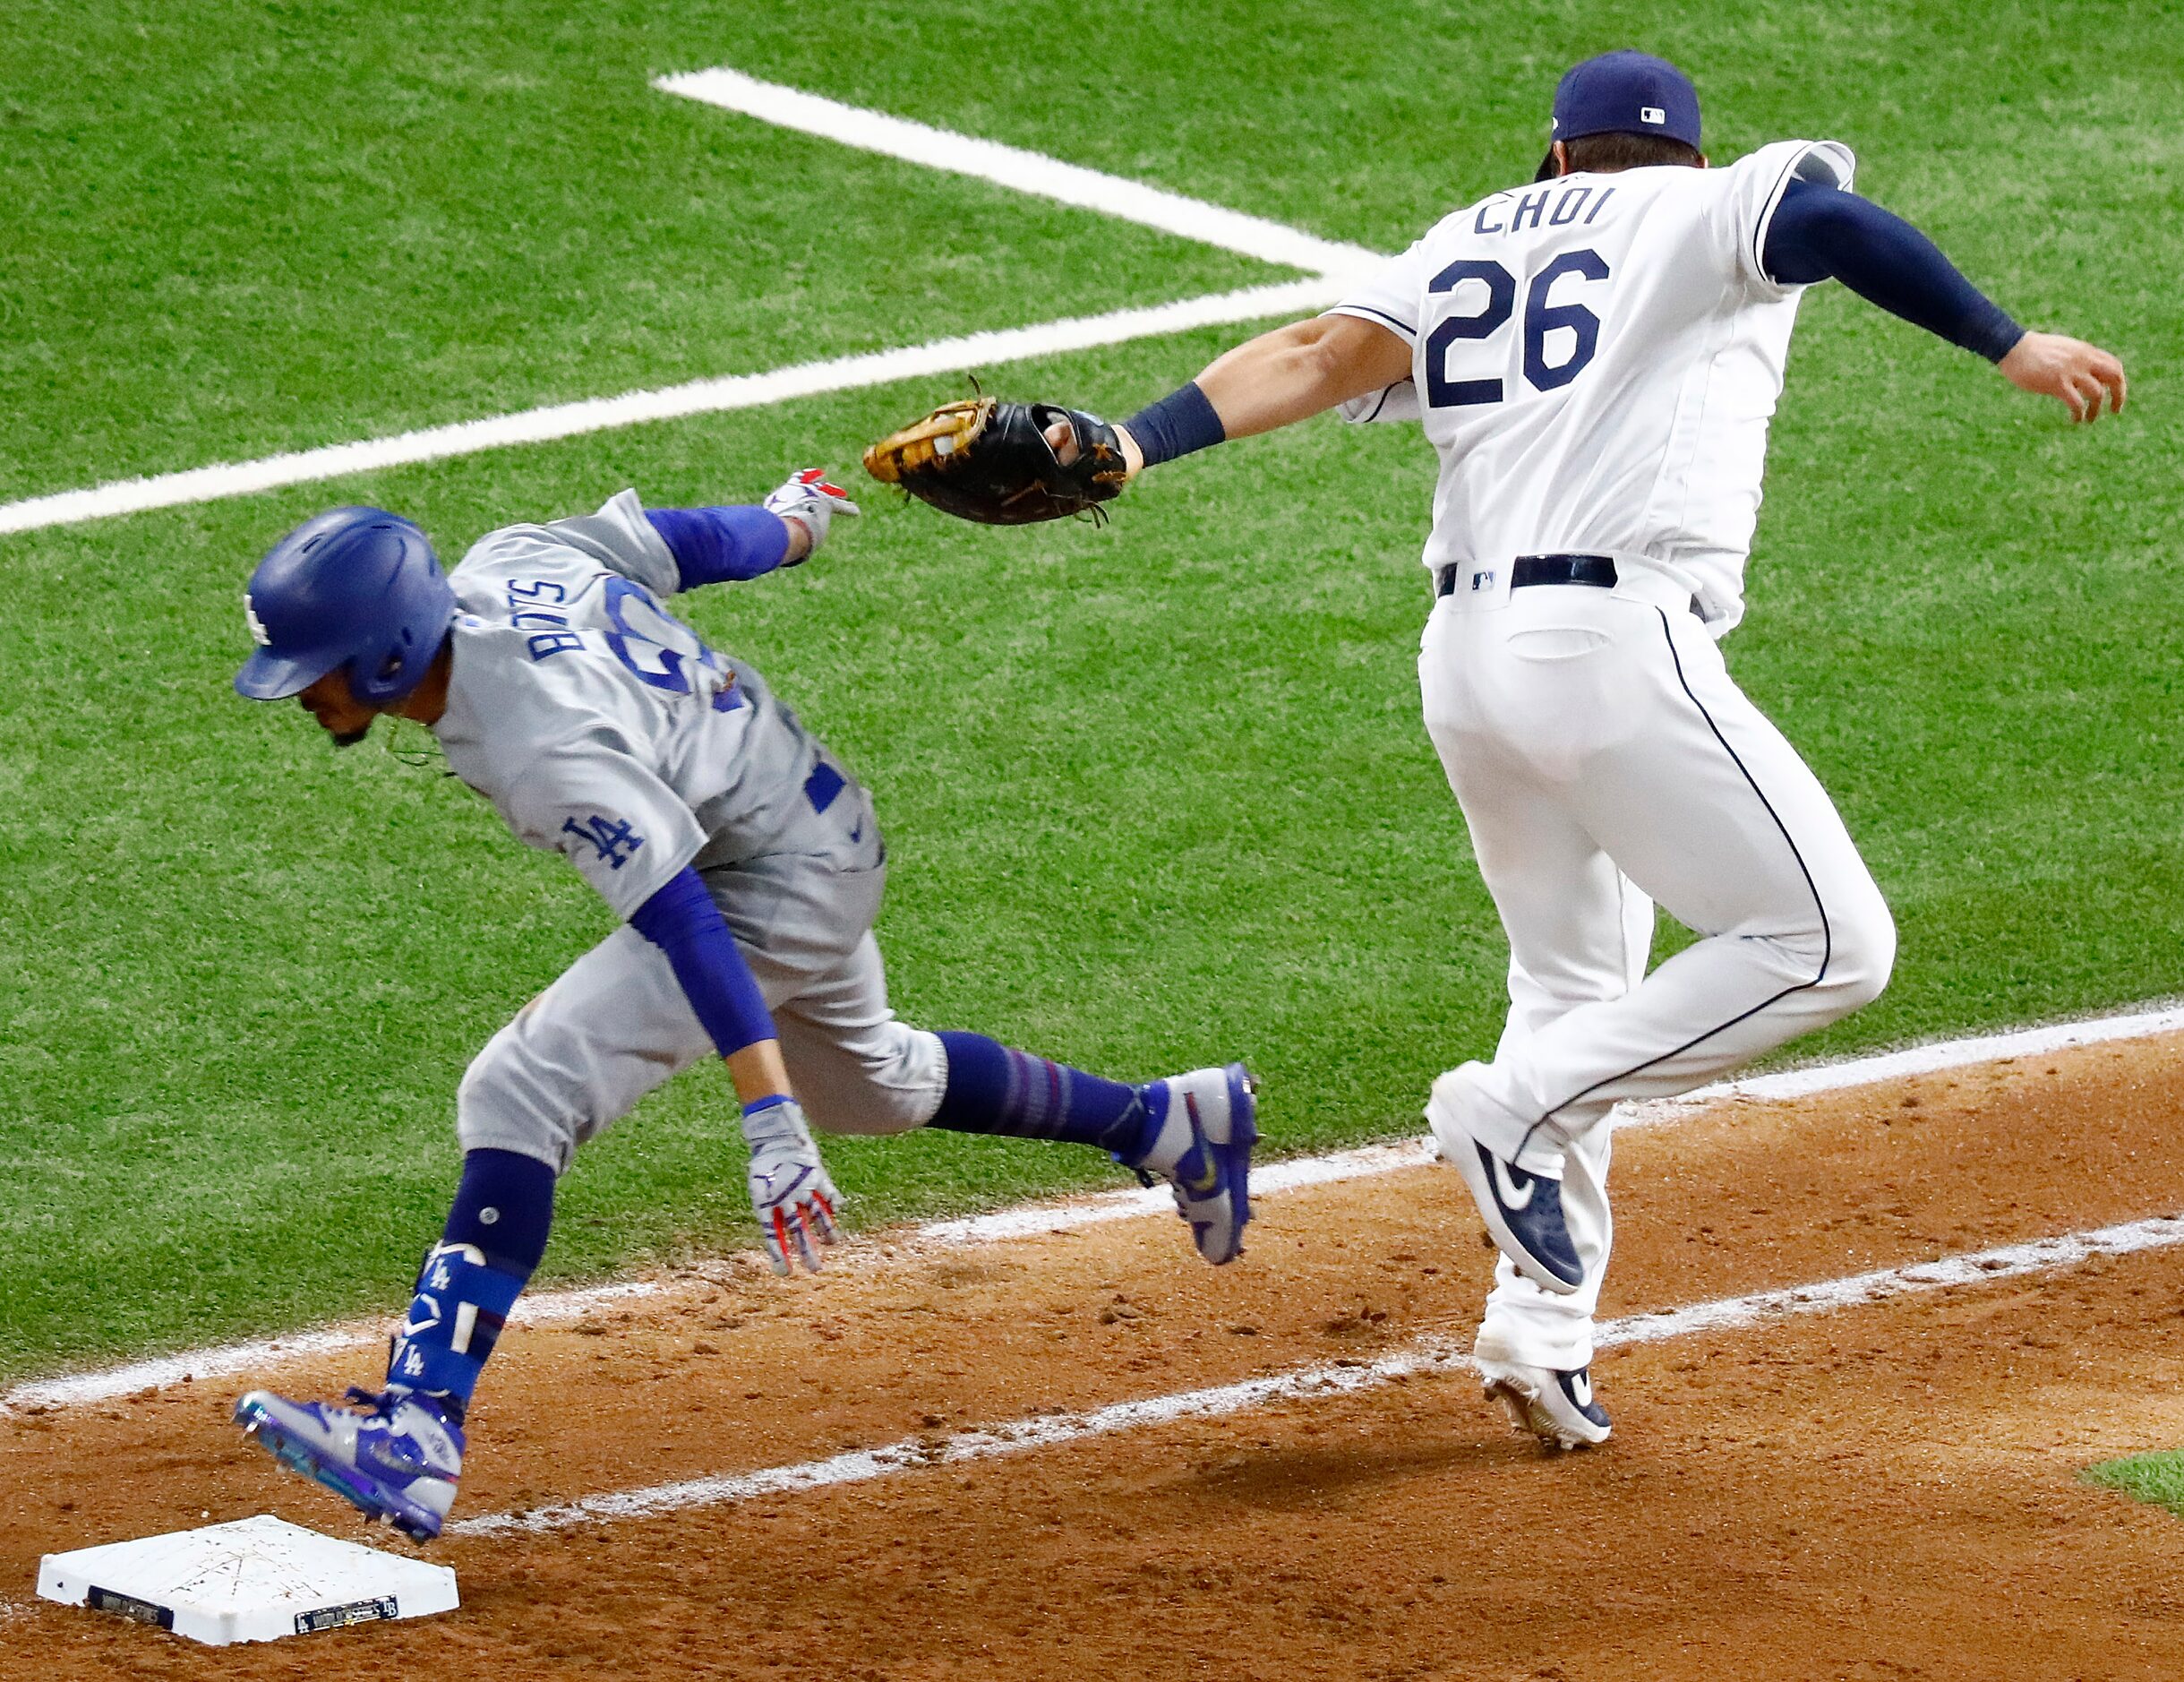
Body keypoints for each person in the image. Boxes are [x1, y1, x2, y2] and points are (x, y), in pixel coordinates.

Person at [1059, 50, 2124, 1448]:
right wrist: (2008, 341)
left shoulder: (1462, 239)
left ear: (1554, 156)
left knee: (1574, 982)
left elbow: (1315, 361)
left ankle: (1539, 1328)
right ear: (1687, 155)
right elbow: (1836, 224)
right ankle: (1510, 1109)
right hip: (1609, 647)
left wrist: (1133, 444)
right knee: (1822, 945)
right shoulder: (1708, 209)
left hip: (1464, 666)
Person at [228, 468, 1257, 1539]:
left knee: (520, 1090)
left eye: (318, 672)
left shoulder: (540, 745)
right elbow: (683, 543)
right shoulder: (509, 560)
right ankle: (1169, 1123)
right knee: (879, 1089)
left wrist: (766, 1113)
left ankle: (418, 1430)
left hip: (775, 880)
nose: (304, 694)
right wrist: (794, 523)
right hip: (812, 819)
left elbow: (684, 921)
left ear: (389, 652)